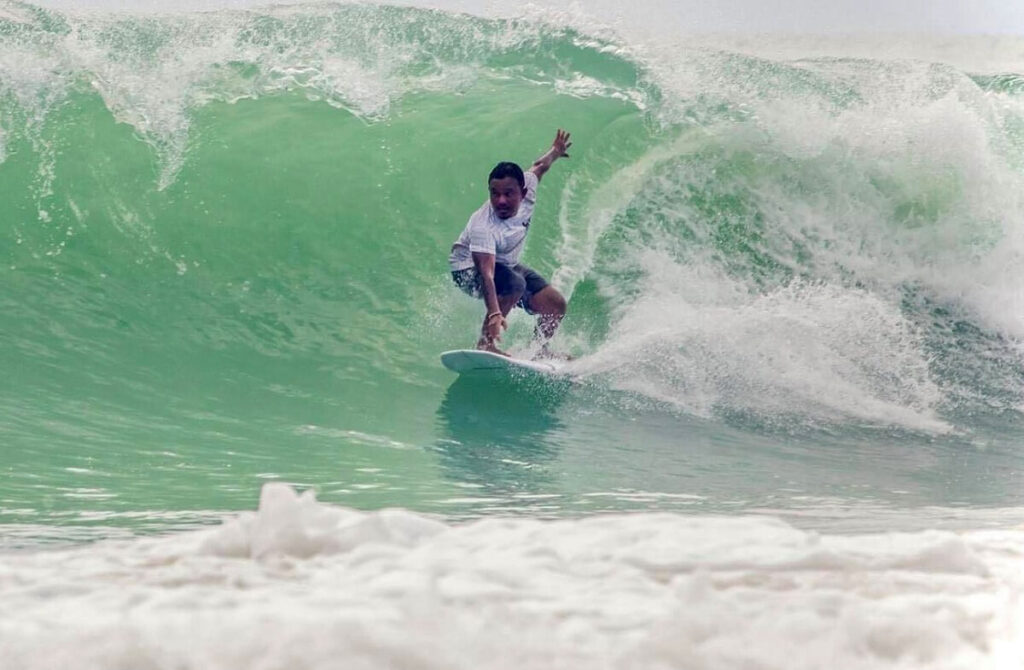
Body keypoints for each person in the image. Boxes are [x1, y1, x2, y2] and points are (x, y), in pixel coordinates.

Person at [448, 129, 572, 357]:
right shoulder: (483, 225)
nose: (500, 200)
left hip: (505, 264)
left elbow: (539, 167)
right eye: (494, 194)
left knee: (555, 305)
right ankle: (485, 344)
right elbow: (486, 274)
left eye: (508, 193)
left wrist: (555, 152)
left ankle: (540, 350)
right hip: (466, 269)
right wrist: (495, 313)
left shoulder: (530, 186)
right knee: (515, 283)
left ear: (523, 192)